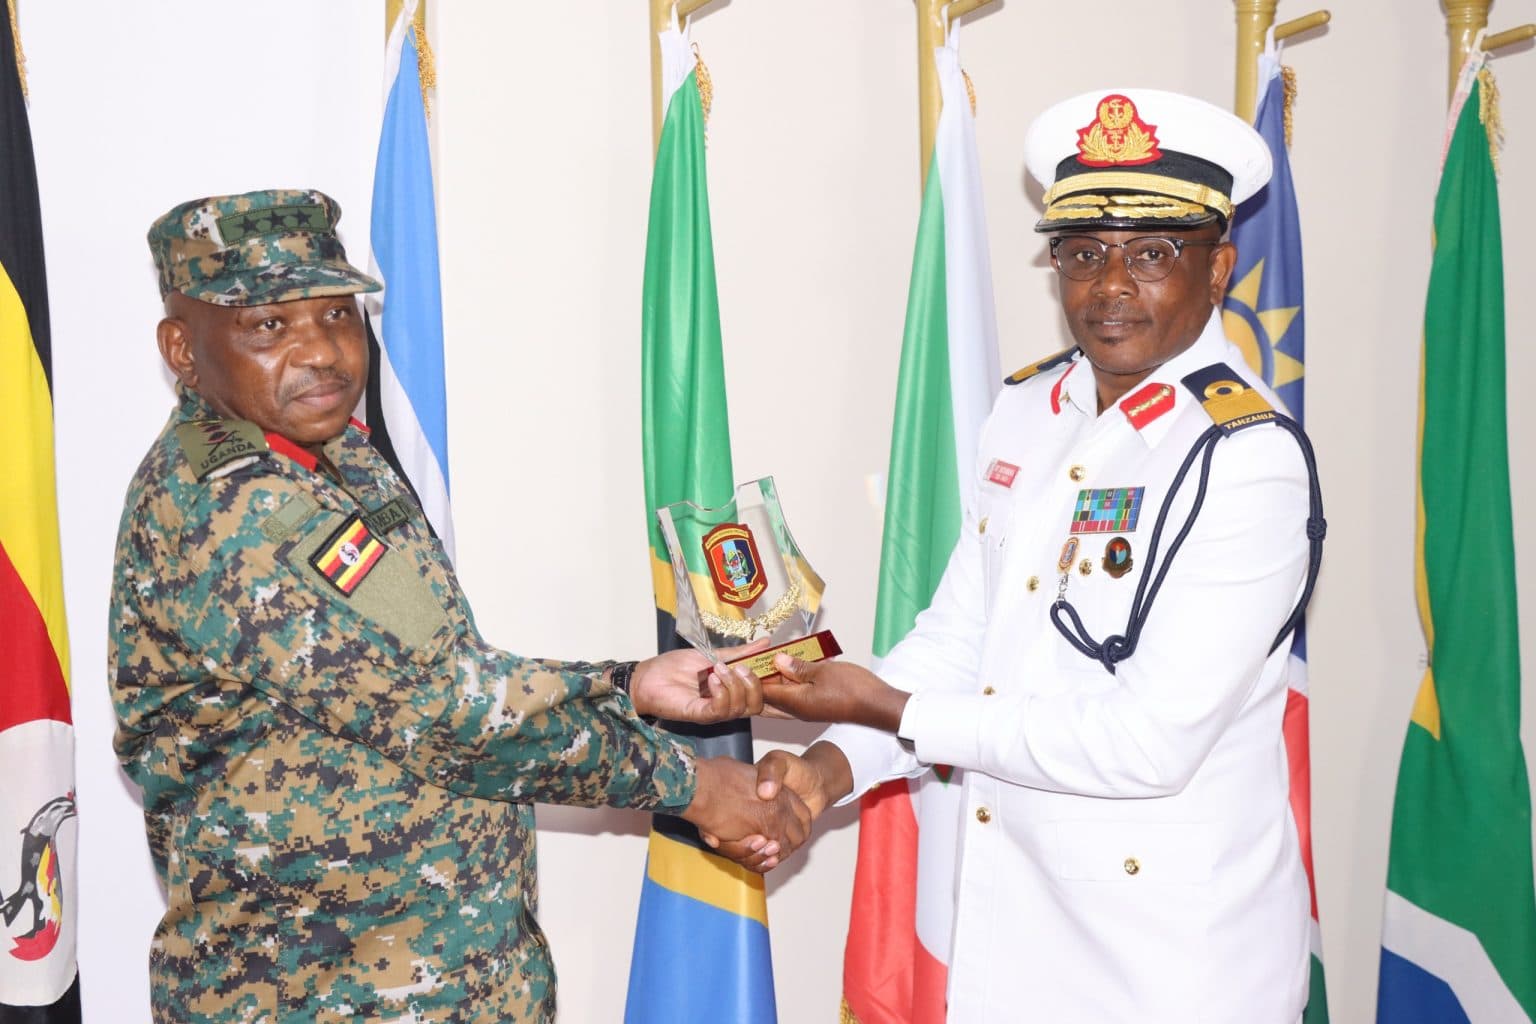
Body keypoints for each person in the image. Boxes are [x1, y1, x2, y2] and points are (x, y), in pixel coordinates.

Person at [108, 189, 807, 1024]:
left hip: (440, 978)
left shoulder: (331, 458)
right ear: (182, 349)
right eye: (269, 327)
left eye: (336, 314)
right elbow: (452, 716)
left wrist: (625, 684)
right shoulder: (235, 508)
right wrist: (690, 785)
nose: (323, 353)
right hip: (314, 992)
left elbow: (445, 672)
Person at [742, 89, 1324, 1022]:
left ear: (1219, 270)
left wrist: (889, 706)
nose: (1110, 287)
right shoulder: (1028, 410)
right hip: (1014, 932)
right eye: (1083, 254)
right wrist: (828, 767)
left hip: (1167, 966)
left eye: (1152, 256)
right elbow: (961, 638)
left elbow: (1149, 744)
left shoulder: (1245, 456)